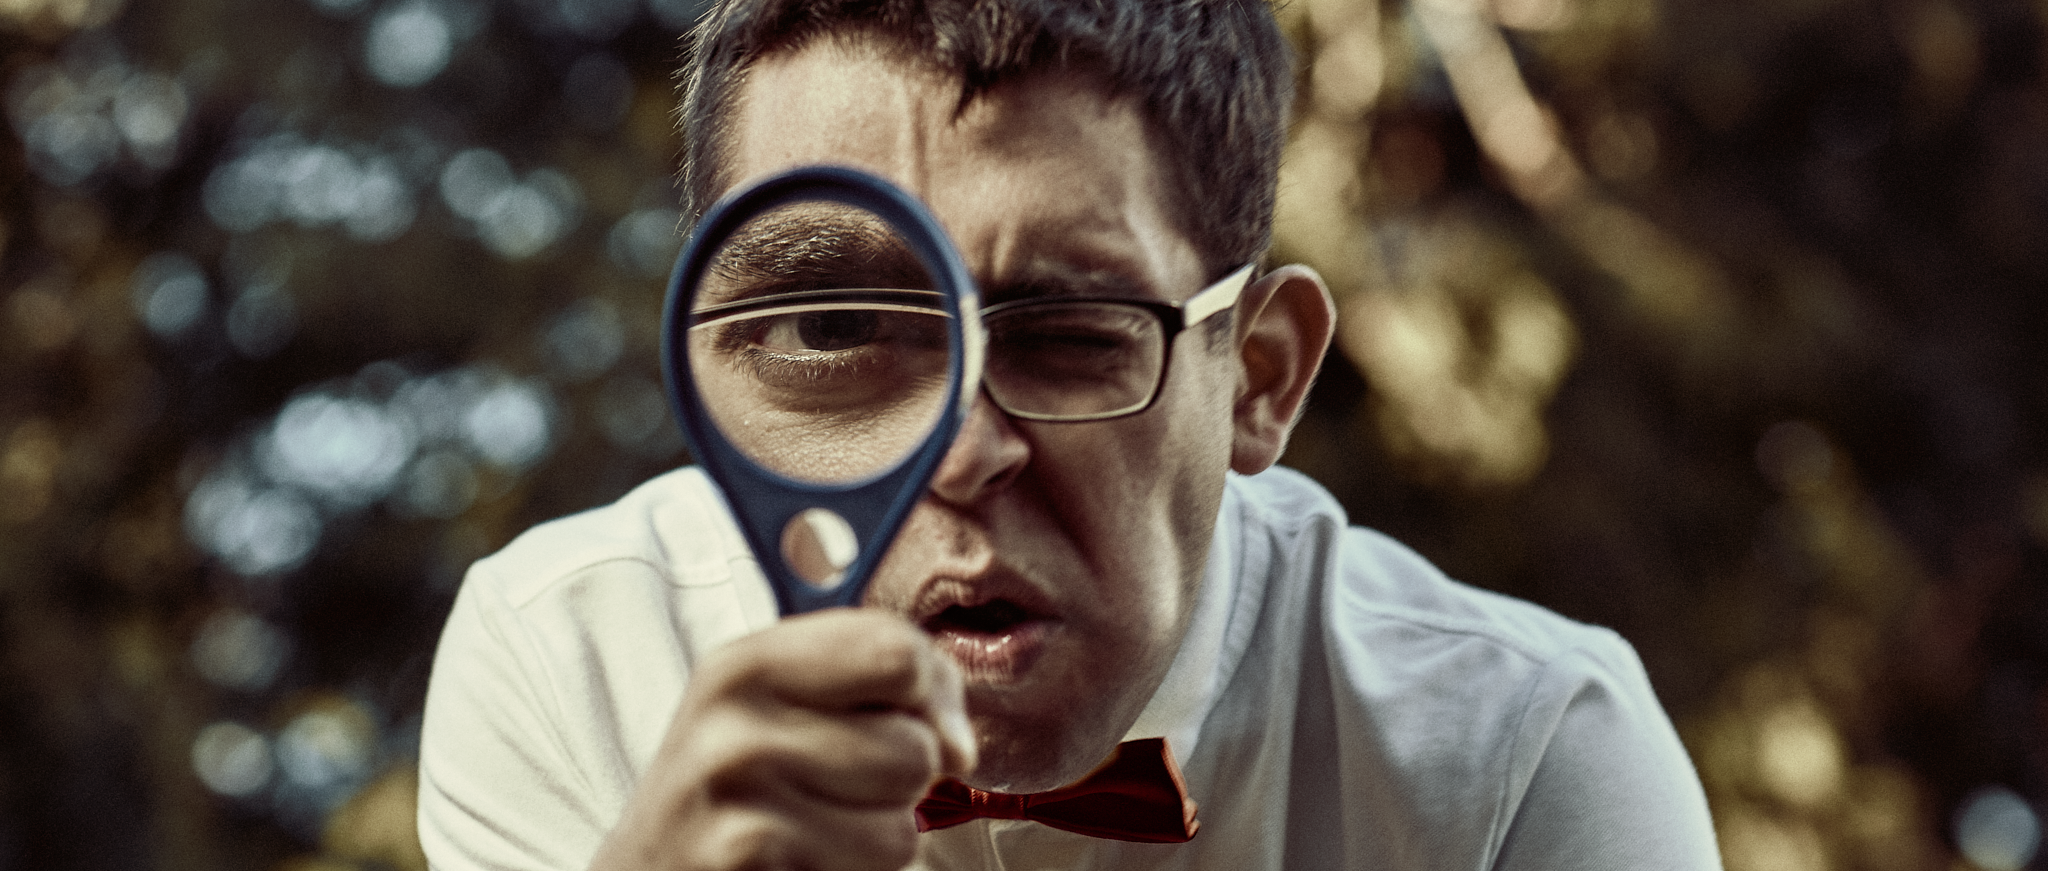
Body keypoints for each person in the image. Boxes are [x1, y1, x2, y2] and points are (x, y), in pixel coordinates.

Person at [416, 0, 1725, 868]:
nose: (957, 453)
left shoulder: (1527, 757)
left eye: (1069, 330)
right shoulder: (567, 661)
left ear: (1260, 377)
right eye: (832, 330)